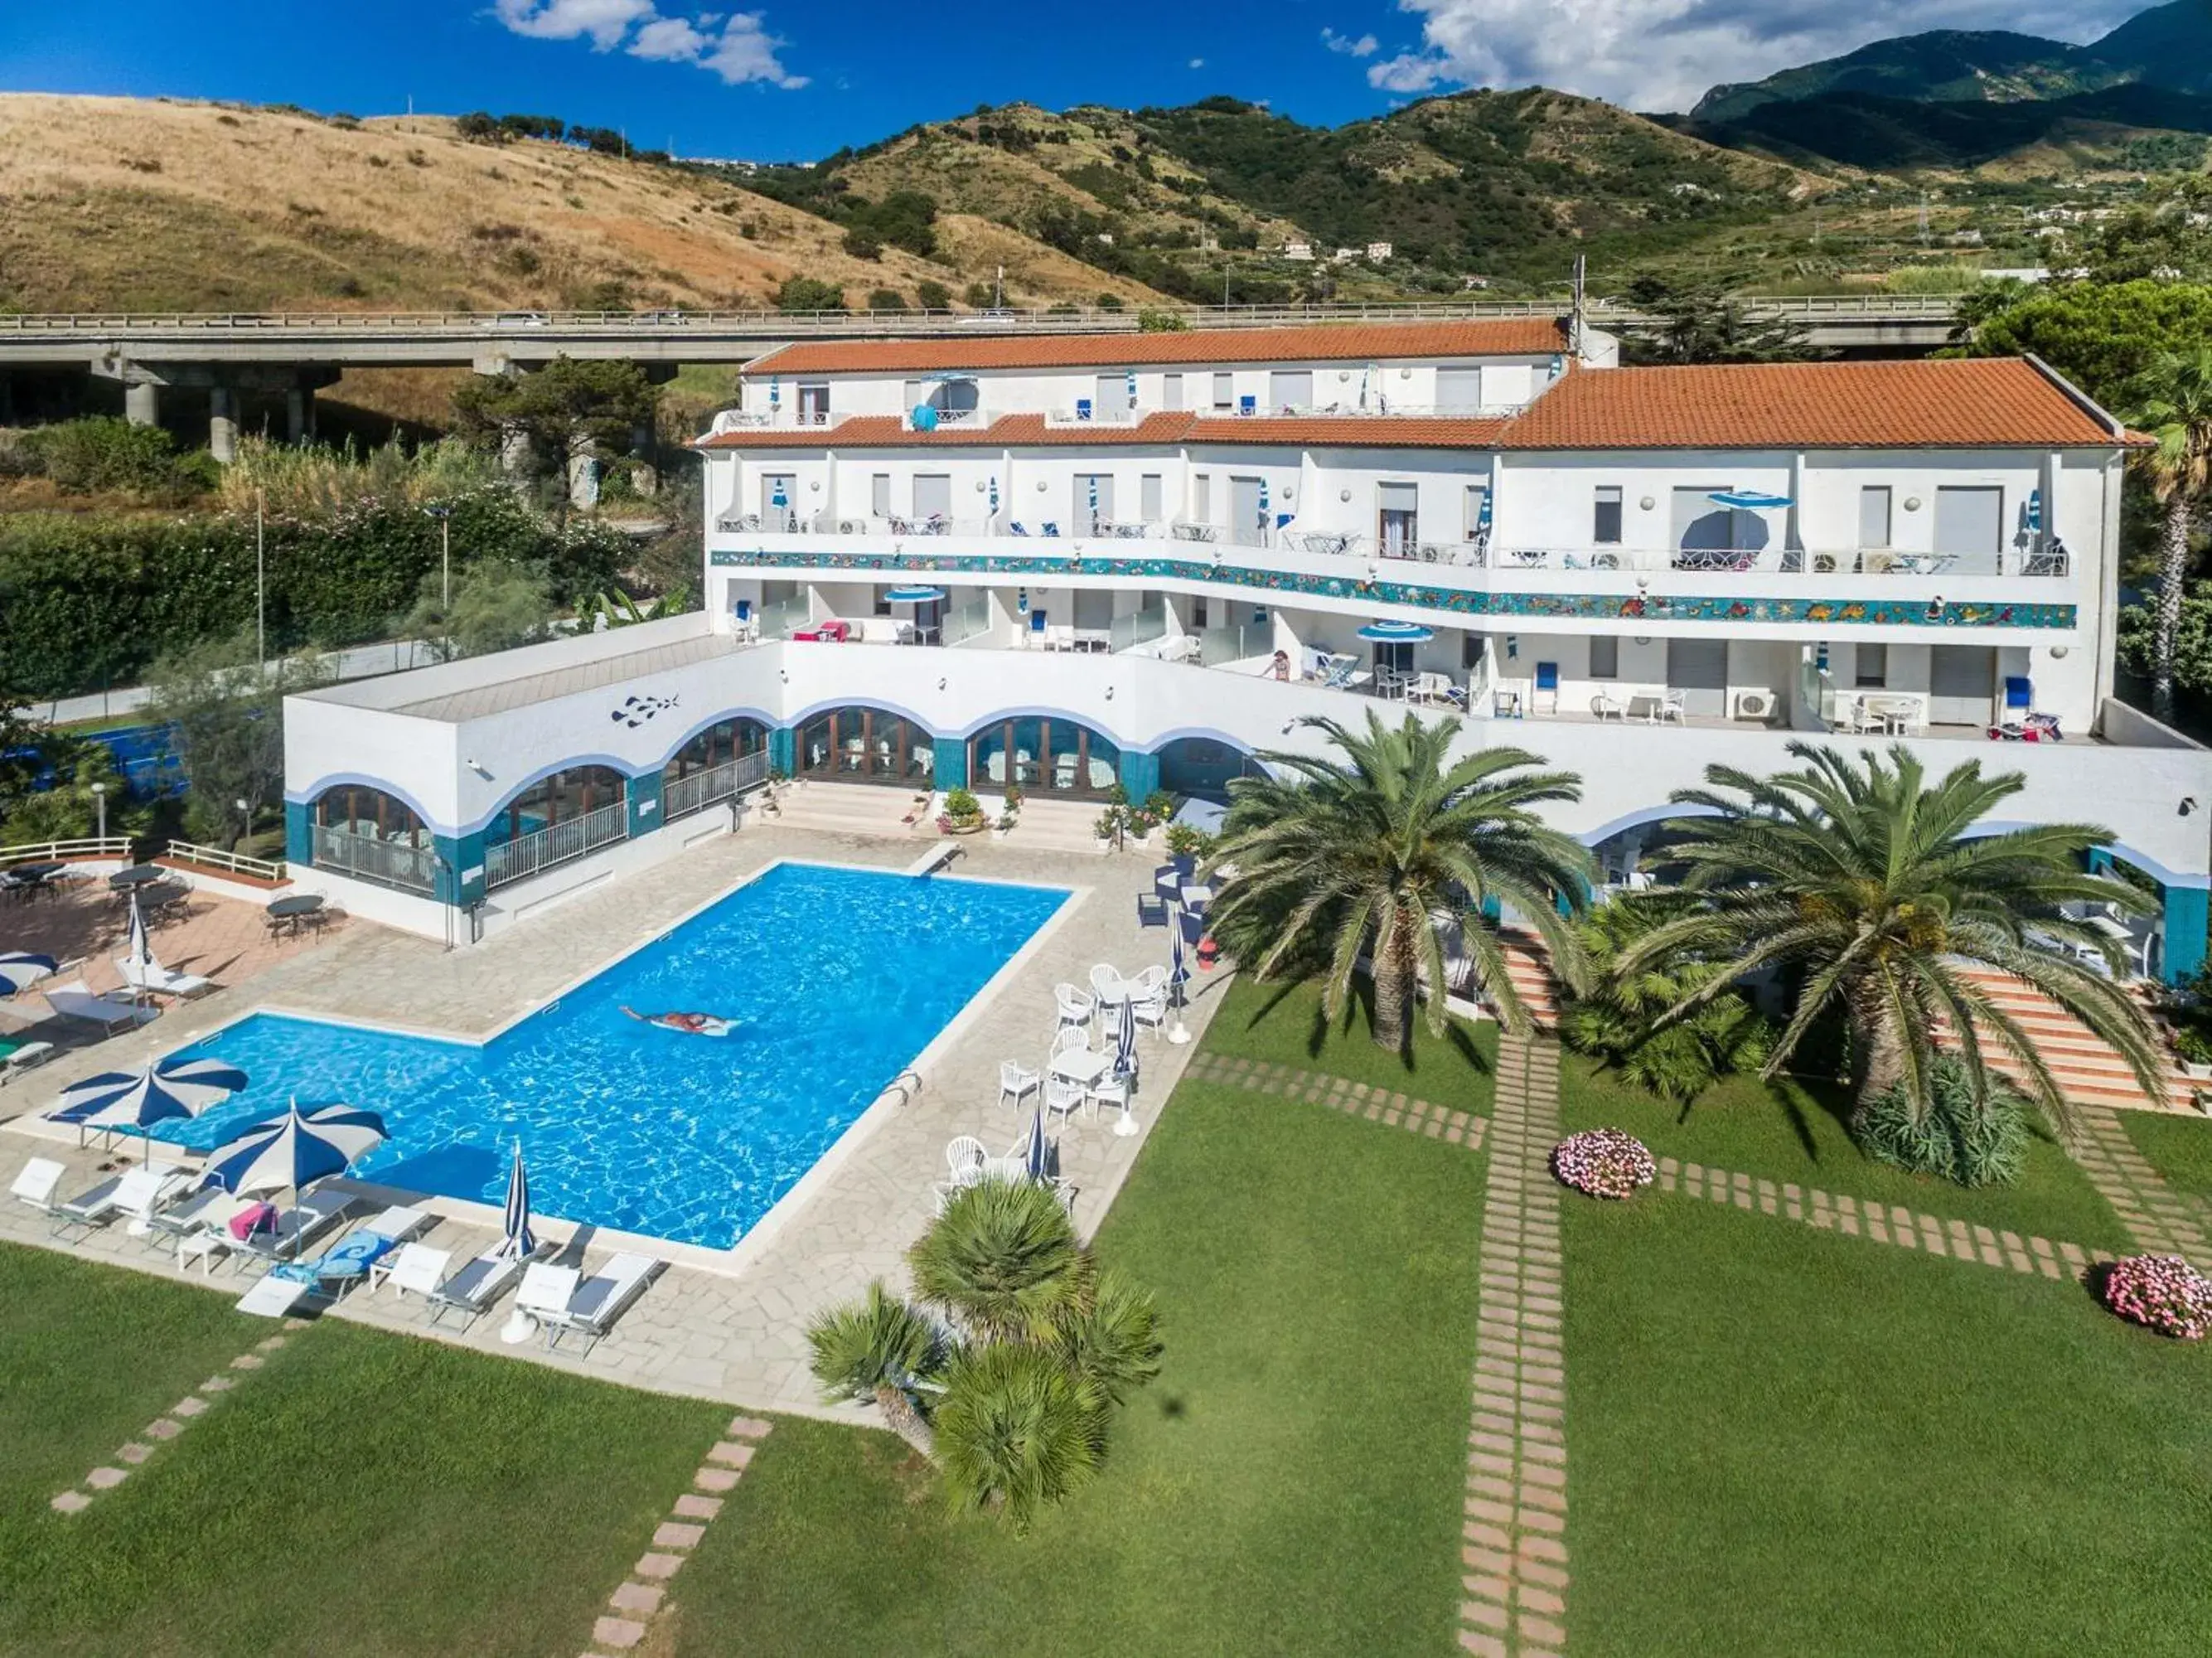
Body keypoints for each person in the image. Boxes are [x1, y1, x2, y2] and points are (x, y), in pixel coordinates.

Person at [620, 1006, 736, 1038]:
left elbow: (708, 1017)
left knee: (647, 1018)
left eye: (698, 1018)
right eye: (696, 1017)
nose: (697, 1016)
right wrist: (708, 1028)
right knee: (644, 1019)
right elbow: (693, 1030)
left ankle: (627, 1010)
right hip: (662, 1020)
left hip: (667, 1017)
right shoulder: (688, 1023)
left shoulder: (694, 1019)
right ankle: (628, 1011)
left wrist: (721, 1023)